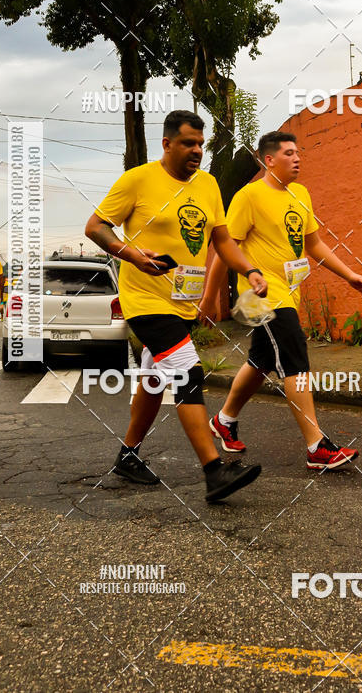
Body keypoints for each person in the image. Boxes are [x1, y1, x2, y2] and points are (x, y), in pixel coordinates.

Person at [85, 110, 268, 503]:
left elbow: (222, 241)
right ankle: (214, 470)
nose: (197, 151)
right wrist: (130, 254)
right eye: (188, 143)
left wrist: (250, 270)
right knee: (188, 372)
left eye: (201, 144)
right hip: (145, 299)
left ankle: (127, 456)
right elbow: (96, 226)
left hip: (182, 302)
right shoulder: (138, 179)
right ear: (167, 143)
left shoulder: (208, 185)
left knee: (154, 378)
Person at [199, 131, 362, 471]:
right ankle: (316, 447)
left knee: (262, 360)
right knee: (295, 360)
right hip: (259, 296)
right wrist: (209, 298)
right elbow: (225, 248)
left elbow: (314, 244)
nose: (298, 159)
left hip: (287, 294)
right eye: (289, 153)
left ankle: (224, 420)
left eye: (299, 153)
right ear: (269, 160)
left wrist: (349, 274)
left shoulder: (300, 195)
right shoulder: (249, 196)